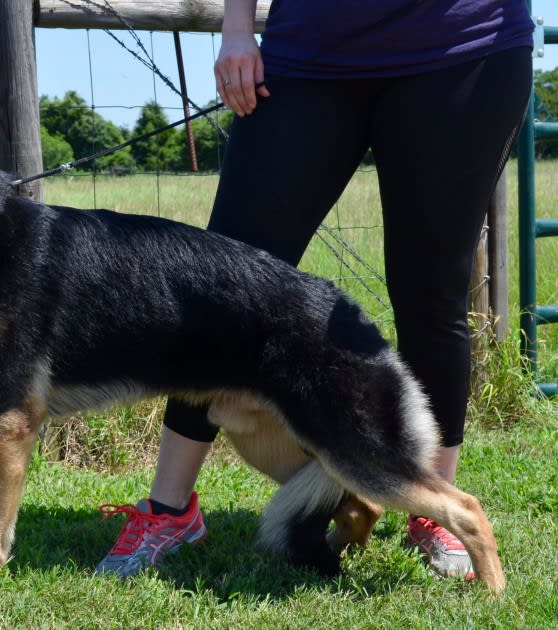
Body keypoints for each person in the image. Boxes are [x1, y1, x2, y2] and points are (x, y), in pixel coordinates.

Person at [95, 0, 534, 579]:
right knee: (220, 290)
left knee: (432, 294)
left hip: (463, 49)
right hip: (311, 51)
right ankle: (169, 509)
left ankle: (433, 505)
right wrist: (236, 28)